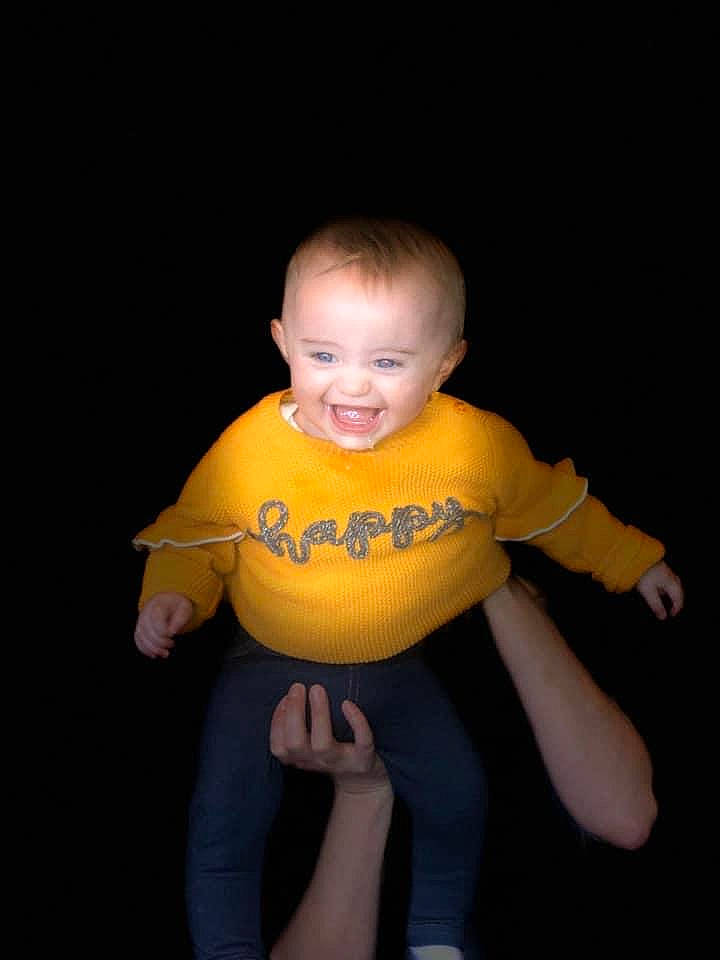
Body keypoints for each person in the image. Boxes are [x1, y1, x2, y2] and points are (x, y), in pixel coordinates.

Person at [132, 216, 683, 959]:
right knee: (223, 820)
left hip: (398, 667)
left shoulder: (474, 445)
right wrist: (174, 599)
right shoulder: (249, 450)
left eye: (389, 362)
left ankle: (435, 933)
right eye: (323, 353)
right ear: (281, 343)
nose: (352, 383)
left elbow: (553, 508)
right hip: (267, 664)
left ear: (446, 364)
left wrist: (633, 562)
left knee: (459, 794)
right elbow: (196, 535)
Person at [265, 577, 660, 960]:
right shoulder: (306, 668)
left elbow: (626, 816)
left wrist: (490, 577)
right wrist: (362, 792)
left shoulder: (553, 585)